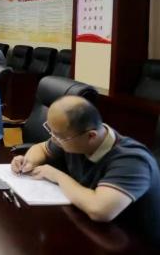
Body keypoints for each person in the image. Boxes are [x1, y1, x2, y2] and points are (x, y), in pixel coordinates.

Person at [11, 96, 160, 245]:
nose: (54, 139)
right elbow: (42, 149)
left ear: (91, 136)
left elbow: (99, 210)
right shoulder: (73, 138)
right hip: (93, 230)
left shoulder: (132, 161)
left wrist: (57, 176)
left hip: (133, 243)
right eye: (51, 131)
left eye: (59, 136)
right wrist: (28, 162)